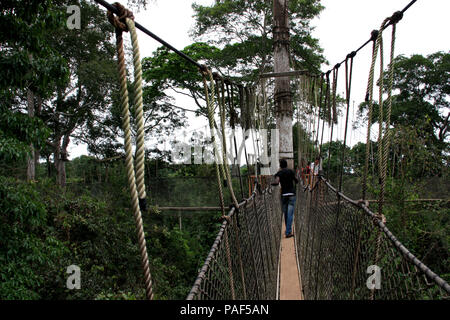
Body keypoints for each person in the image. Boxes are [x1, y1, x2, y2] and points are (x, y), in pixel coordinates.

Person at [272, 159, 298, 238]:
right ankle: (288, 232)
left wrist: (271, 184)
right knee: (290, 214)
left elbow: (277, 182)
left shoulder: (279, 173)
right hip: (291, 195)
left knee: (286, 214)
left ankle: (288, 231)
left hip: (284, 195)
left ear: (280, 165)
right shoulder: (291, 172)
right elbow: (296, 181)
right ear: (286, 165)